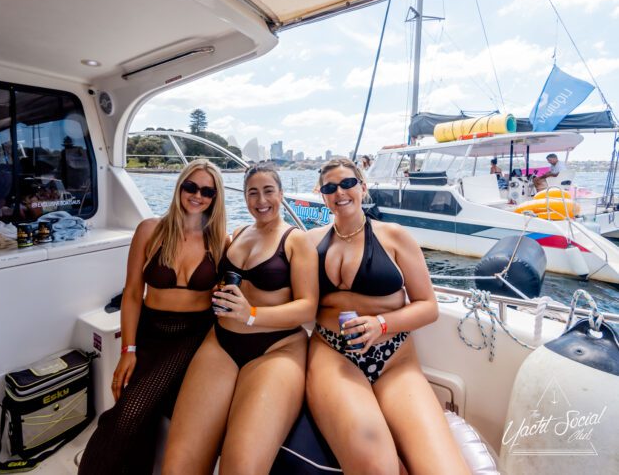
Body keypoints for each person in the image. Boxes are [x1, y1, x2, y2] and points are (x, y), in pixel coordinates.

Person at [306, 158, 470, 474]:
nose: (339, 191)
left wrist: (380, 324)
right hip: (333, 355)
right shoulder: (309, 242)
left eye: (348, 183)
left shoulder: (395, 236)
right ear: (323, 195)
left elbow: (427, 305)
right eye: (330, 187)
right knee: (376, 467)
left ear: (363, 187)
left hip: (394, 359)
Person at [162, 164, 317, 475]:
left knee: (241, 468)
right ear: (244, 198)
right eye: (253, 193)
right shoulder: (238, 234)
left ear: (281, 194)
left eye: (268, 191)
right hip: (222, 343)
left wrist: (252, 315)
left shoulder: (296, 240)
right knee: (178, 466)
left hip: (276, 347)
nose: (261, 200)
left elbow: (308, 308)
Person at [78, 159, 227, 474]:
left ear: (215, 197)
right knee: (128, 408)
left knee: (130, 411)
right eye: (191, 186)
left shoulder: (221, 241)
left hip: (191, 338)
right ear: (180, 187)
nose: (197, 195)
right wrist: (127, 350)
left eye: (207, 191)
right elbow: (132, 293)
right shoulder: (150, 230)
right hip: (149, 332)